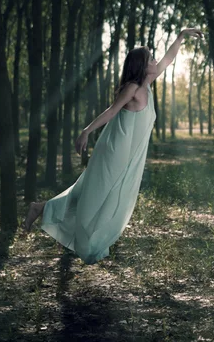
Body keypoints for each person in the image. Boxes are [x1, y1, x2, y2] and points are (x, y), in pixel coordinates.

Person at [22, 28, 203, 264]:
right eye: (150, 59)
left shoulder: (147, 85)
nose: (155, 61)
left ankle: (43, 209)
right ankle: (56, 219)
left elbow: (169, 58)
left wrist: (181, 36)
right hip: (114, 152)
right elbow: (111, 111)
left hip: (130, 156)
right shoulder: (133, 89)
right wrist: (87, 131)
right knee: (94, 195)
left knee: (96, 195)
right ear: (141, 66)